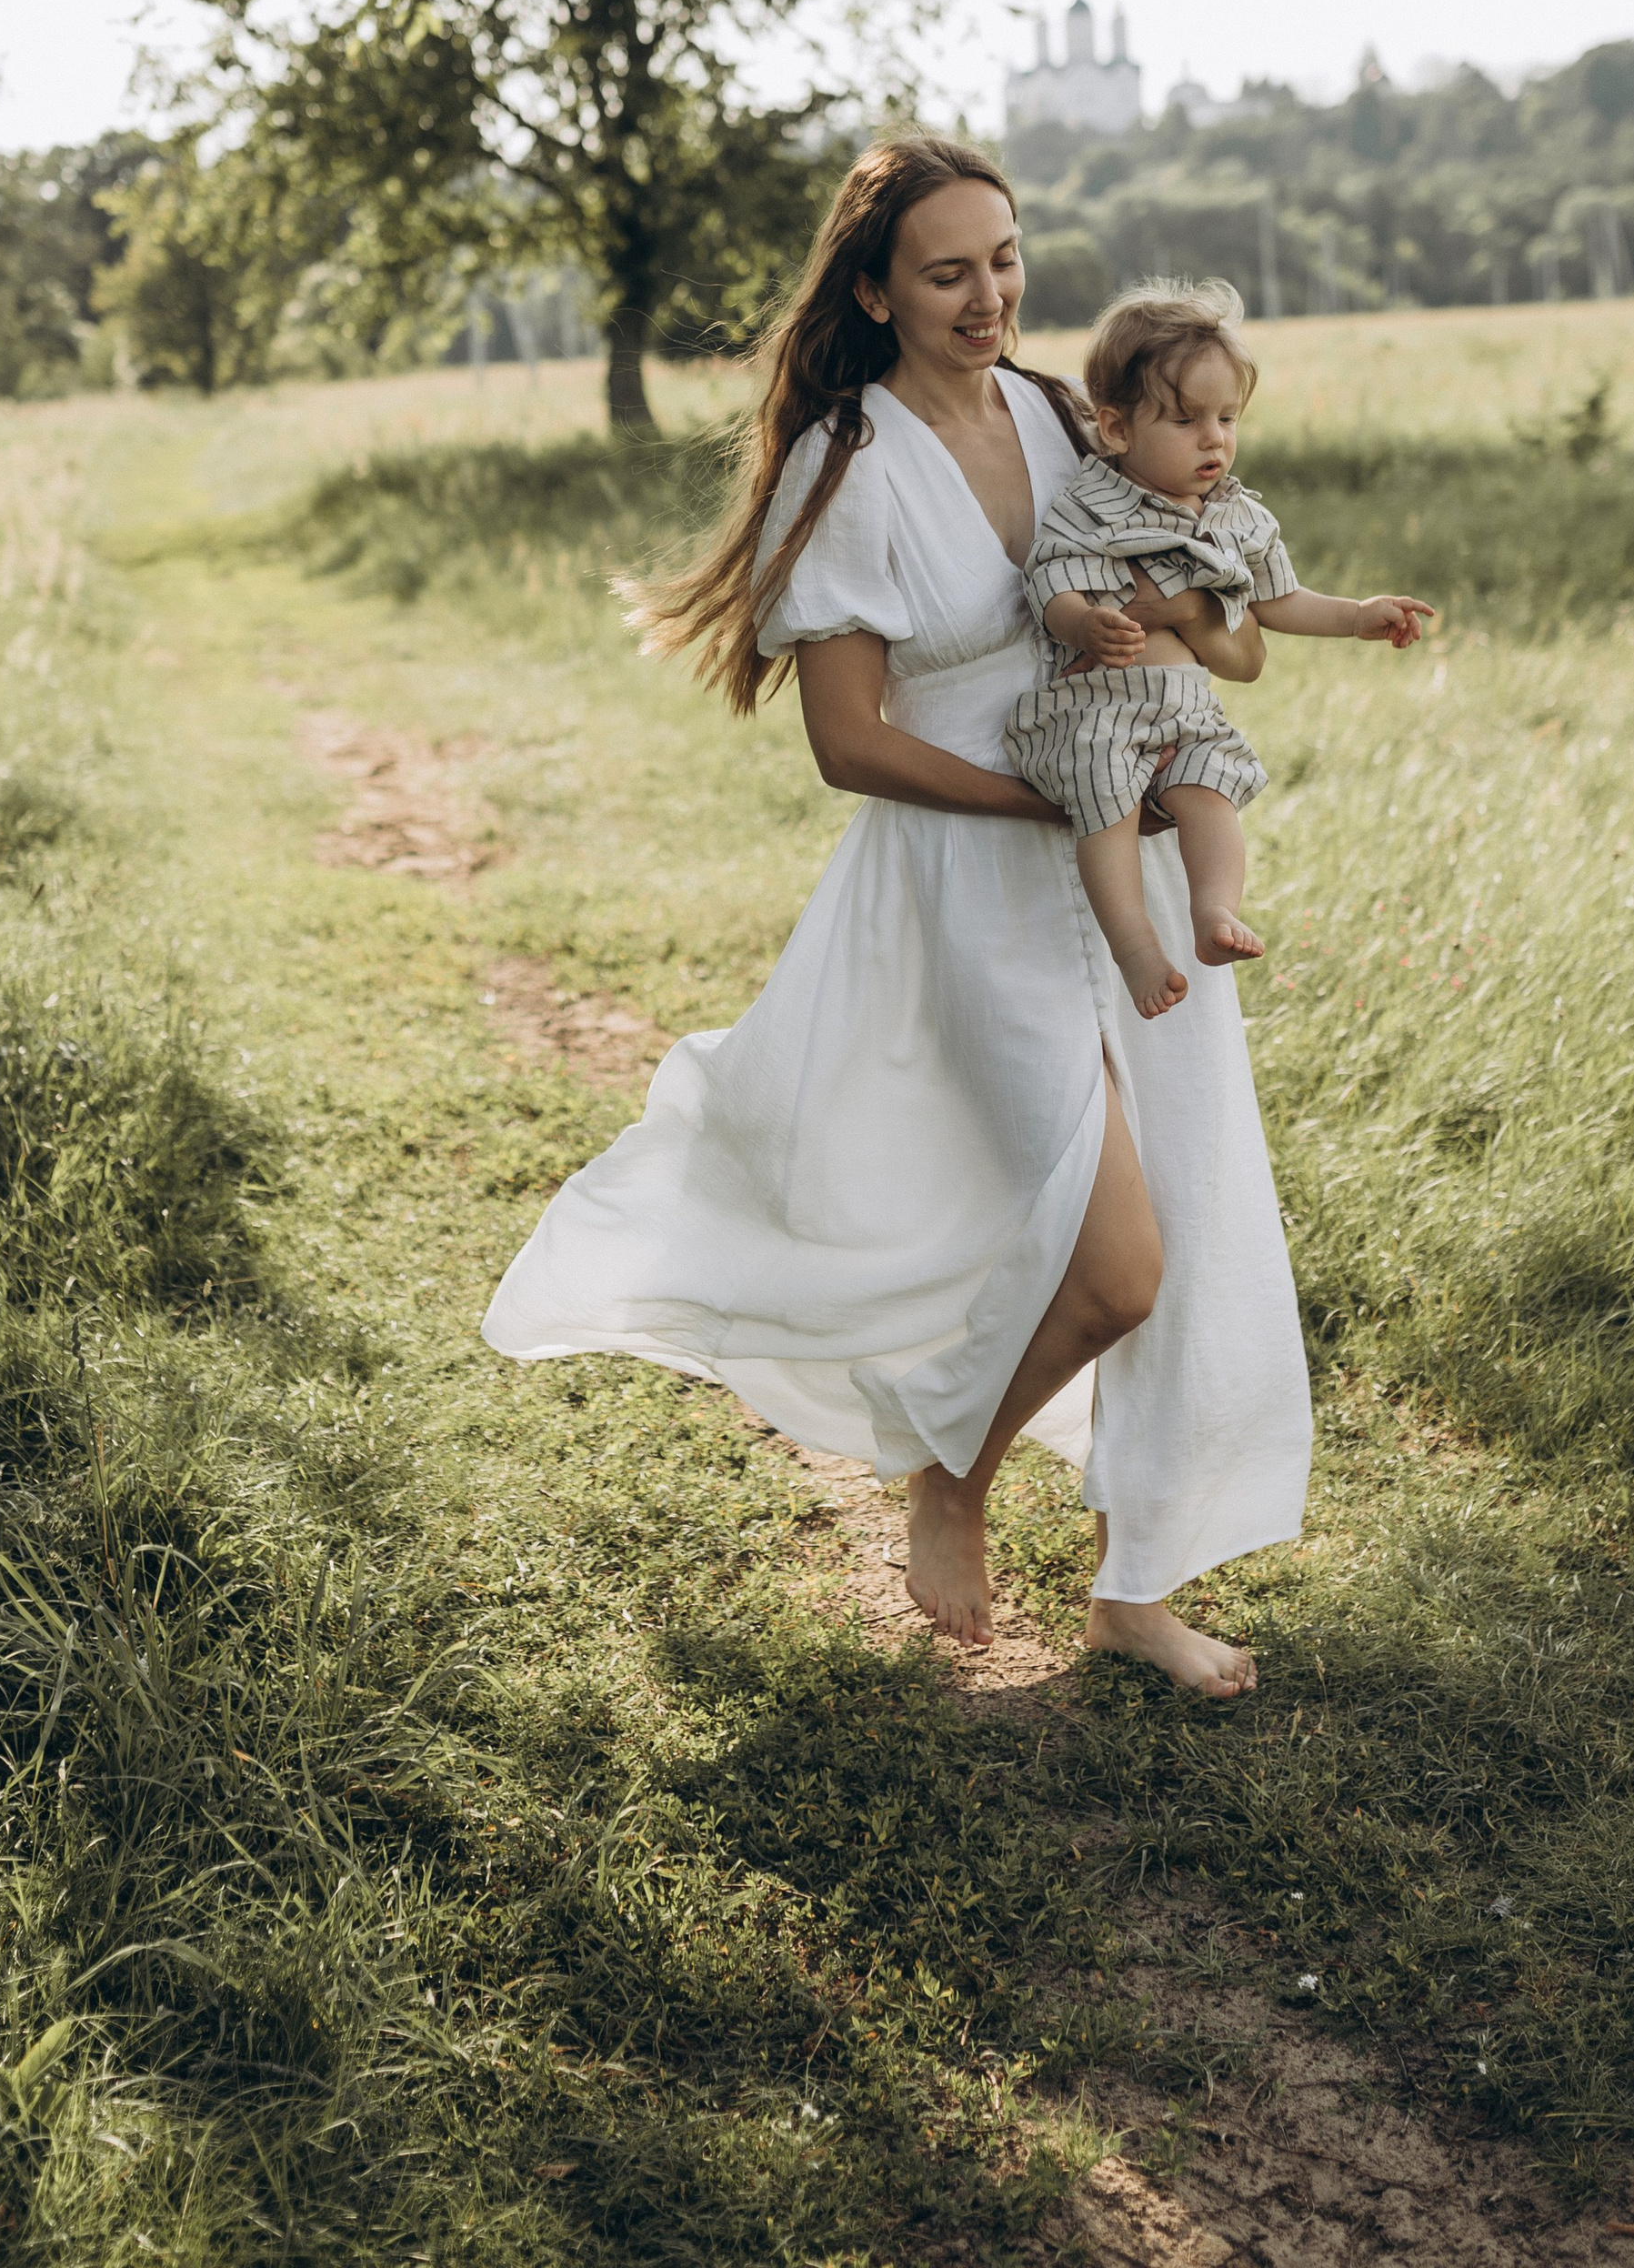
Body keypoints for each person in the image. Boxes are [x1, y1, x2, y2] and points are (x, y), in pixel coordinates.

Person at [481, 135, 1311, 1689]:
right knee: (1112, 1258)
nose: (989, 293)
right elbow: (849, 743)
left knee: (1180, 1226)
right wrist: (1058, 801)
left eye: (1004, 258)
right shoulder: (846, 465)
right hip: (972, 889)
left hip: (1119, 856)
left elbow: (1210, 616)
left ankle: (1137, 1589)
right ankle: (956, 1479)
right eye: (948, 271)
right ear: (876, 291)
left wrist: (1197, 649)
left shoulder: (1070, 418)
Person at [1007, 279, 1434, 1021]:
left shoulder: (1239, 517)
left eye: (1228, 417)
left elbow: (1280, 602)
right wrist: (1082, 625)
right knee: (1104, 806)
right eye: (1186, 419)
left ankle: (1214, 912)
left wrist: (1360, 615)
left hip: (1188, 713)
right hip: (1098, 707)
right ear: (1114, 427)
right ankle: (1135, 943)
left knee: (1211, 795)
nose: (1215, 438)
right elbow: (1050, 582)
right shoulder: (1092, 504)